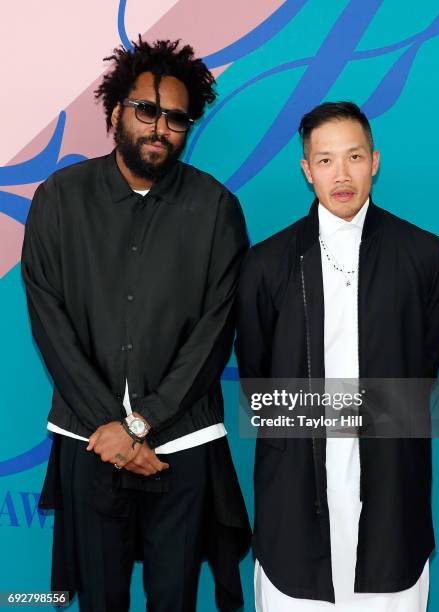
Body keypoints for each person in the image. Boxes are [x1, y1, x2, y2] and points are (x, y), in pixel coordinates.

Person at [22, 37, 250, 612]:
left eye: (176, 118)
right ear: (116, 109)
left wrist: (143, 421)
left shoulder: (217, 209)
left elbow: (214, 333)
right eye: (146, 110)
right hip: (89, 440)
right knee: (100, 598)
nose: (160, 127)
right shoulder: (59, 199)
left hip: (183, 442)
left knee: (173, 599)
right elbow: (50, 322)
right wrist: (112, 430)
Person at [235, 101, 439, 610]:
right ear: (307, 170)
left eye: (353, 157)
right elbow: (257, 382)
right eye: (326, 160)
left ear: (374, 160)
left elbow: (424, 364)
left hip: (392, 477)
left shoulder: (422, 253)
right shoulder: (267, 263)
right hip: (295, 483)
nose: (342, 174)